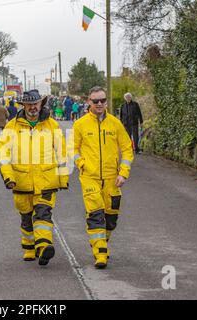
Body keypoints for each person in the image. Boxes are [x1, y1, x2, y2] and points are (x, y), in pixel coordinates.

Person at [0, 89, 69, 266]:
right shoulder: (11, 127)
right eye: (28, 104)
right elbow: (4, 156)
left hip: (46, 179)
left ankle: (44, 246)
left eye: (35, 104)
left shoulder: (52, 125)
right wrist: (8, 177)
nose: (32, 108)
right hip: (21, 181)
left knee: (43, 214)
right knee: (26, 217)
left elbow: (62, 153)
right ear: (23, 105)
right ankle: (29, 247)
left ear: (41, 104)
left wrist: (63, 178)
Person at [71, 86, 134, 269]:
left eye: (102, 100)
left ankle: (101, 241)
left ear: (106, 102)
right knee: (96, 215)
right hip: (89, 178)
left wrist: (123, 173)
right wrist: (82, 164)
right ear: (89, 102)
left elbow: (127, 149)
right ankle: (100, 253)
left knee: (111, 219)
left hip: (112, 179)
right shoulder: (80, 124)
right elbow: (73, 149)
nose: (100, 104)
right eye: (95, 101)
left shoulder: (115, 123)